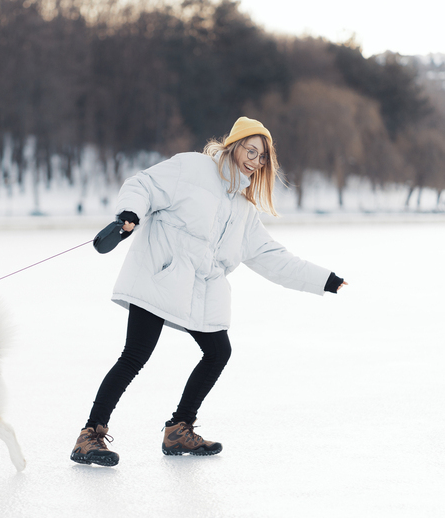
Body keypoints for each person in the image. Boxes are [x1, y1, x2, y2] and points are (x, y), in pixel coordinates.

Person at [70, 117, 348, 467]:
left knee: (217, 352)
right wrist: (130, 212)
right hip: (160, 273)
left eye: (261, 157)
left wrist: (324, 279)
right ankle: (89, 435)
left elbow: (273, 257)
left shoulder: (244, 209)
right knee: (136, 354)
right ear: (234, 145)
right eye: (251, 150)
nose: (254, 160)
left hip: (200, 289)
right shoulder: (192, 167)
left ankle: (178, 429)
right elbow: (144, 185)